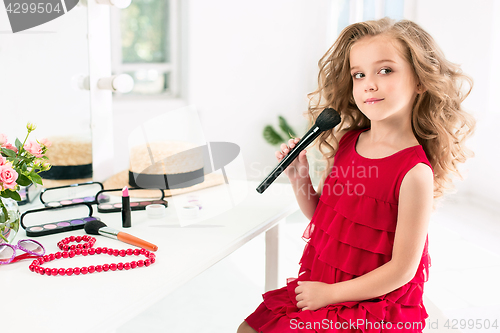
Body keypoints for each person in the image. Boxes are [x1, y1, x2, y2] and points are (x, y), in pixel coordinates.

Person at [238, 17, 475, 333]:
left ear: (420, 81)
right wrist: (300, 179)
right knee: (248, 328)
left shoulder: (415, 173)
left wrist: (329, 295)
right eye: (359, 74)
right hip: (324, 283)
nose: (369, 84)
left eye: (385, 70)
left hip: (374, 304)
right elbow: (326, 218)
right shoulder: (350, 142)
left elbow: (402, 270)